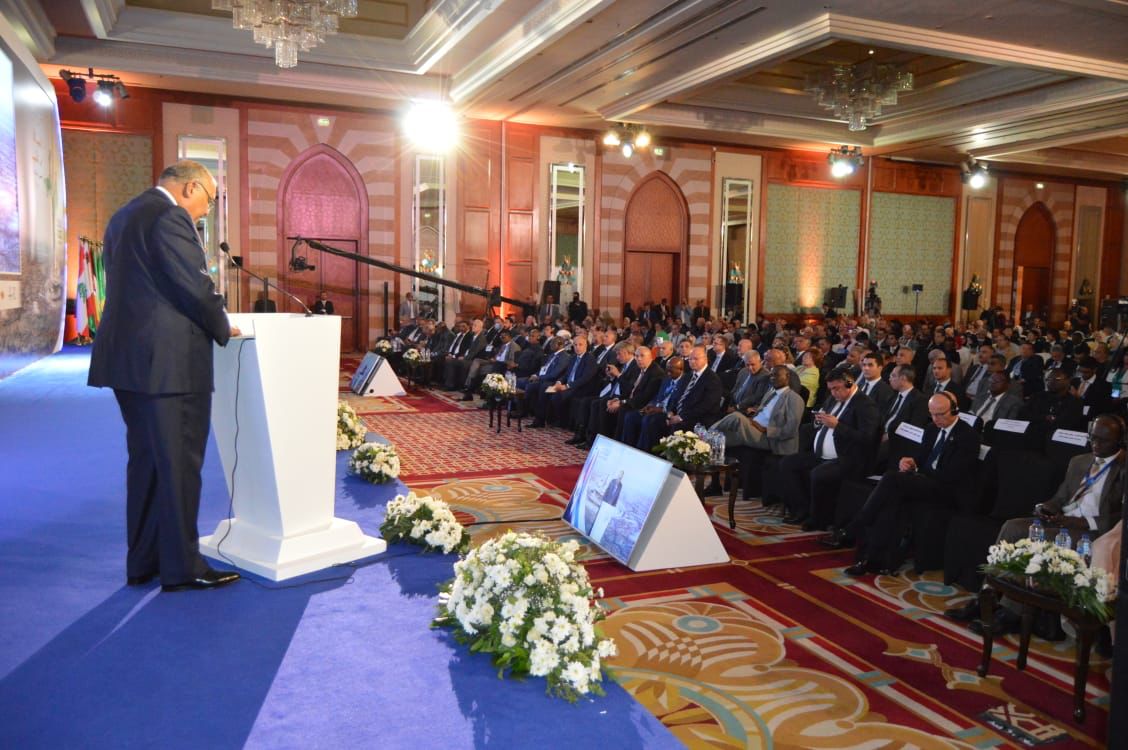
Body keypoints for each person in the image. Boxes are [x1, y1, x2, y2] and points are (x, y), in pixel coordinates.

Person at [87, 160, 241, 592]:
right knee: (179, 466)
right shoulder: (171, 217)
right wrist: (222, 325)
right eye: (208, 200)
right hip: (170, 365)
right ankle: (183, 567)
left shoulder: (123, 215)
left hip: (128, 361)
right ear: (190, 187)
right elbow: (193, 285)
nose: (206, 210)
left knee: (148, 463)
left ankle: (144, 560)